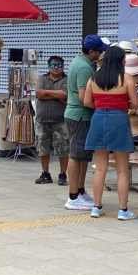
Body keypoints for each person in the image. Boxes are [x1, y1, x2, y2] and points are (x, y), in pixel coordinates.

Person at [83, 46, 138, 220]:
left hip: (99, 118)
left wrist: (102, 105)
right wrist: (122, 105)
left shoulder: (93, 78)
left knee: (100, 168)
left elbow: (87, 102)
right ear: (121, 61)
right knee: (122, 169)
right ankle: (123, 210)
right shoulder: (126, 78)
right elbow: (135, 103)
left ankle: (96, 207)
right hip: (119, 119)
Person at [64, 34, 107, 210]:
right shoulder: (84, 68)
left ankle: (80, 191)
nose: (101, 54)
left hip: (78, 115)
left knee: (82, 156)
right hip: (80, 115)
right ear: (91, 51)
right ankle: (73, 196)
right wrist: (103, 106)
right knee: (76, 155)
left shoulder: (80, 62)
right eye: (99, 51)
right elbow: (84, 98)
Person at [34, 56, 69, 185]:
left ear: (63, 66)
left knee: (63, 149)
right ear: (48, 66)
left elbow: (65, 95)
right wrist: (56, 95)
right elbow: (39, 94)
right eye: (53, 65)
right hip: (42, 120)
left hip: (61, 121)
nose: (56, 68)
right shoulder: (42, 78)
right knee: (43, 148)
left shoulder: (67, 79)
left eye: (59, 65)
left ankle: (63, 174)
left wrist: (47, 93)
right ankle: (45, 174)